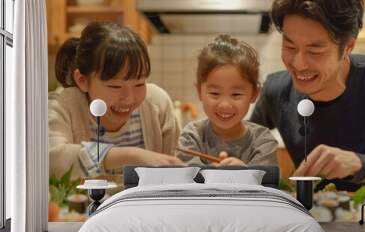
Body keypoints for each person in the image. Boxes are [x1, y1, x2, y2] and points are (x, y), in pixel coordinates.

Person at [250, 0, 365, 191]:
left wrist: (360, 165)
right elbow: (247, 148)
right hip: (311, 217)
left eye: (315, 51)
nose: (299, 64)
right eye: (290, 47)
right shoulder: (276, 90)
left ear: (348, 47)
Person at [49, 22, 183, 179]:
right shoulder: (62, 106)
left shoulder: (157, 103)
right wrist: (130, 155)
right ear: (83, 80)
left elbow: (177, 164)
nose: (130, 98)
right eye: (115, 86)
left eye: (139, 84)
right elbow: (51, 160)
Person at [177, 35, 278, 166]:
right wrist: (210, 174)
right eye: (214, 93)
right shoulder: (192, 136)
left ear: (254, 94)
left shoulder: (263, 140)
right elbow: (185, 179)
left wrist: (245, 173)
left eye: (236, 94)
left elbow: (267, 182)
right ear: (199, 92)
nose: (225, 104)